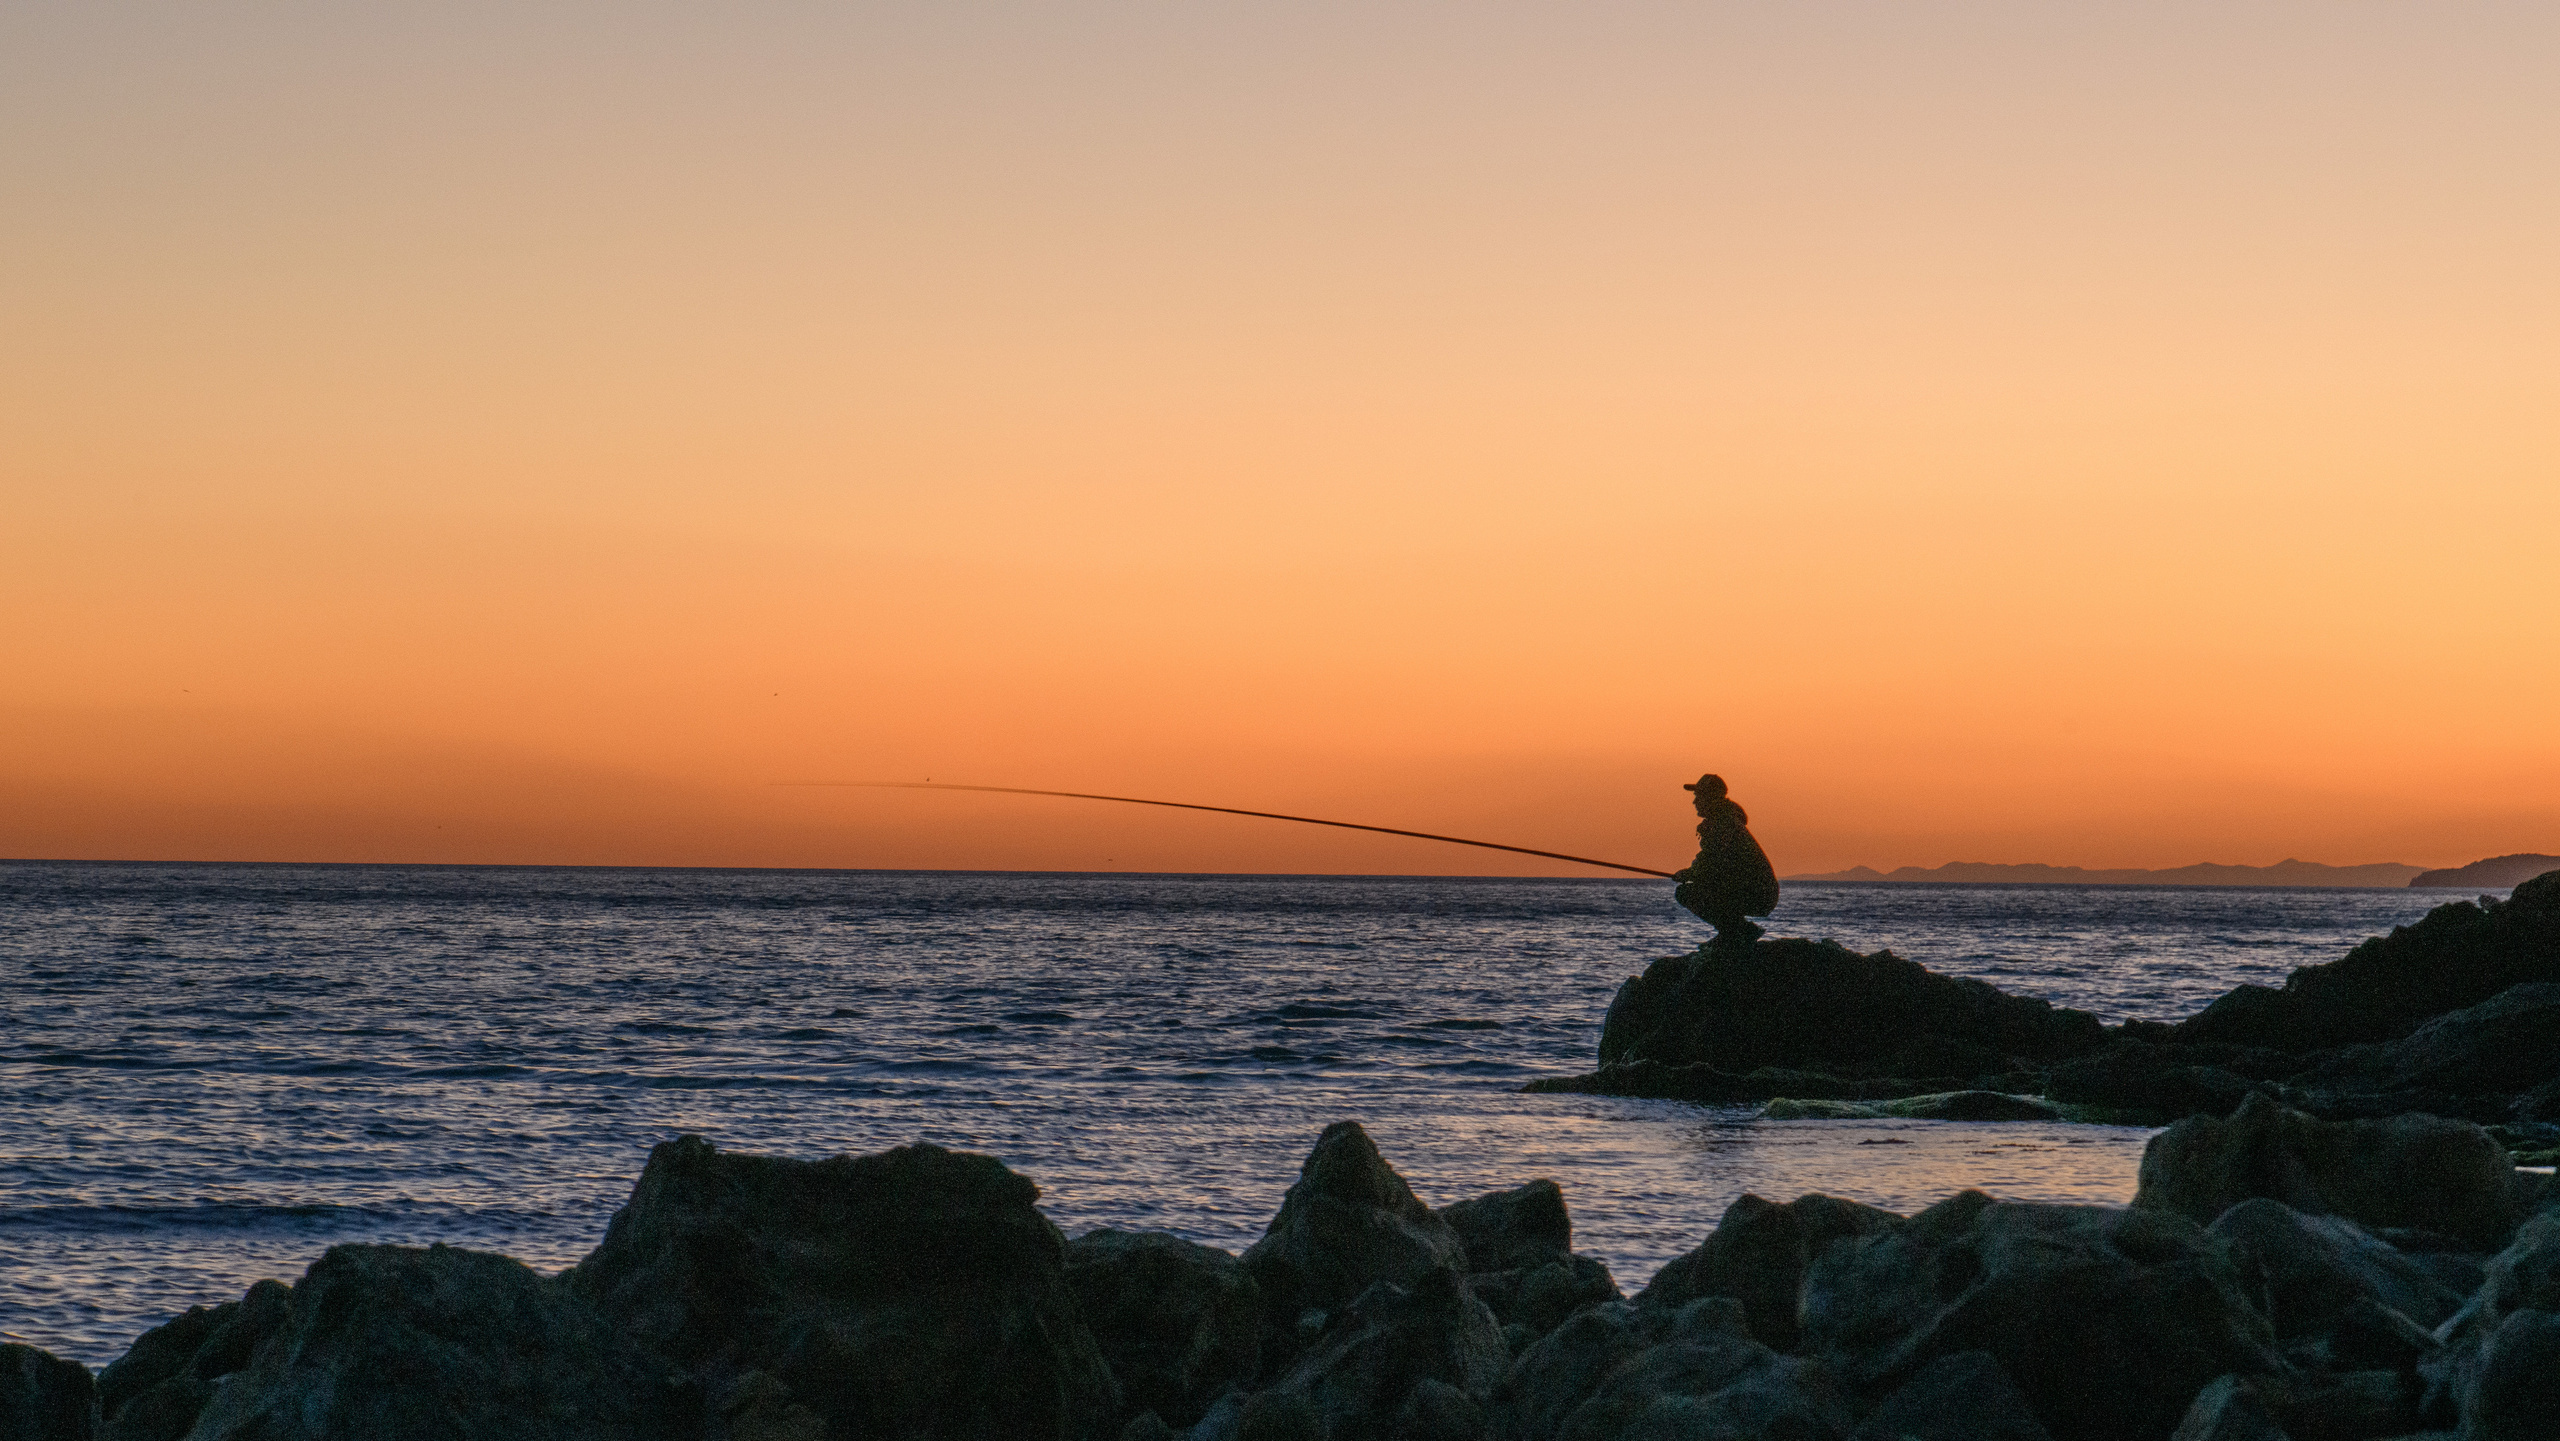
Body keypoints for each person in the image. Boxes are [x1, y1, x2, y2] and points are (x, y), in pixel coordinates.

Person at [1673, 774, 1781, 944]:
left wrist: (1688, 874)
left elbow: (1712, 860)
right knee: (1701, 887)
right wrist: (1692, 873)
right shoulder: (1726, 821)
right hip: (1758, 891)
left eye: (1698, 796)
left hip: (1757, 894)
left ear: (1710, 798)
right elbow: (1712, 860)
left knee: (1686, 893)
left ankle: (1737, 932)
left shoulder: (1722, 824)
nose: (1694, 802)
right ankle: (1736, 931)